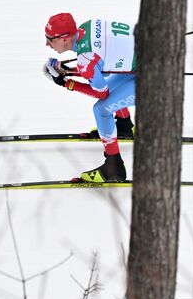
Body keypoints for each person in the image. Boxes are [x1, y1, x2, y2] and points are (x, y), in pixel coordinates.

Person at [43, 12, 136, 182]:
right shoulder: (88, 26)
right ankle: (124, 126)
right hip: (145, 60)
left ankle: (114, 167)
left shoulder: (85, 59)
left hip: (153, 77)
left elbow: (101, 92)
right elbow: (103, 69)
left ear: (64, 38)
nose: (47, 43)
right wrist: (67, 71)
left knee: (101, 109)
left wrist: (67, 83)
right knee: (110, 95)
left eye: (50, 38)